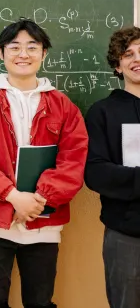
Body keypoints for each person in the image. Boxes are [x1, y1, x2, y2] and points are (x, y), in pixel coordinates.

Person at [0, 18, 88, 308]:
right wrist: (14, 198)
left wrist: (38, 201)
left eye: (33, 47)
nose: (23, 54)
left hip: (44, 222)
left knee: (40, 302)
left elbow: (73, 160)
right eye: (14, 46)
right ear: (1, 53)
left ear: (44, 54)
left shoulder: (63, 106)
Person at [85, 26, 140, 308]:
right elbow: (94, 172)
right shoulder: (102, 112)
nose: (136, 59)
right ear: (117, 66)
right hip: (126, 233)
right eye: (128, 54)